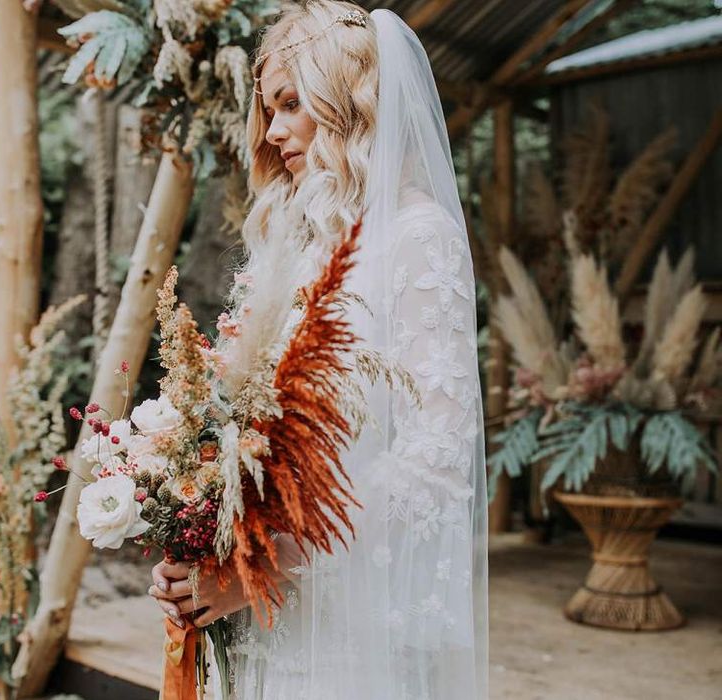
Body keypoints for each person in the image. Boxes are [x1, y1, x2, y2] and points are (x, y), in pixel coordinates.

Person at [149, 2, 488, 697]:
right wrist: (193, 548)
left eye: (290, 105)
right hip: (257, 622)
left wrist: (266, 563)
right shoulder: (297, 246)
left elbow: (438, 459)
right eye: (267, 111)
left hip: (348, 621)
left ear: (348, 100)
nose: (272, 135)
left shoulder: (418, 237)